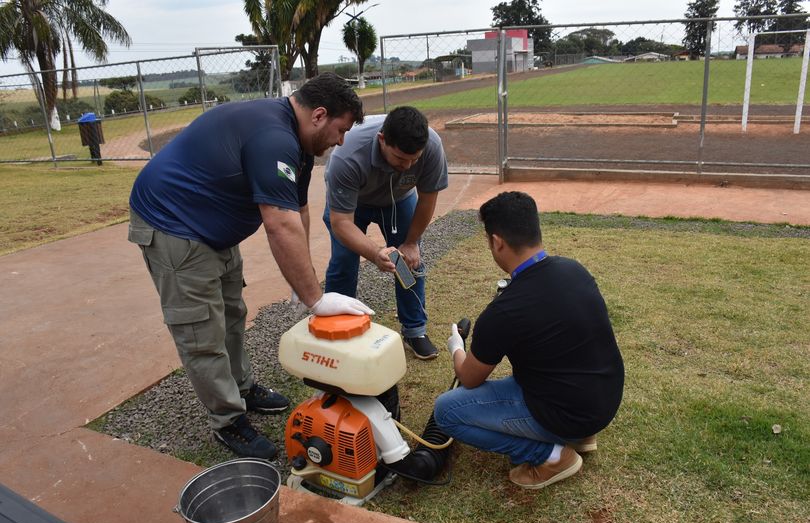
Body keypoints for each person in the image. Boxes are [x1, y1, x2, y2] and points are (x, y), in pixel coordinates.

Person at [128, 73, 374, 460]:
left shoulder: (299, 143)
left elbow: (298, 211)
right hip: (173, 224)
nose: (341, 141)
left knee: (232, 313)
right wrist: (315, 299)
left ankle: (241, 386)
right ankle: (228, 421)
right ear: (319, 115)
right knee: (201, 332)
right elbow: (278, 222)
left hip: (213, 226)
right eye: (340, 130)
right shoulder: (274, 137)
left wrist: (303, 280)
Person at [434, 191, 624, 489]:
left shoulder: (505, 310)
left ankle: (551, 455)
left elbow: (469, 377)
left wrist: (456, 346)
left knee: (446, 411)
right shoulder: (574, 270)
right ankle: (580, 437)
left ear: (497, 242)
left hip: (565, 412)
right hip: (603, 403)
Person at [323, 106, 448, 360]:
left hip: (399, 199)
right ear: (382, 140)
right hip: (352, 205)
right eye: (401, 159)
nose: (408, 166)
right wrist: (376, 252)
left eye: (414, 159)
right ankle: (337, 330)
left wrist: (411, 242)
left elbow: (426, 200)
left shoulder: (432, 146)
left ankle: (415, 330)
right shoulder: (348, 156)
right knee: (344, 262)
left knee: (410, 262)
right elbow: (341, 223)